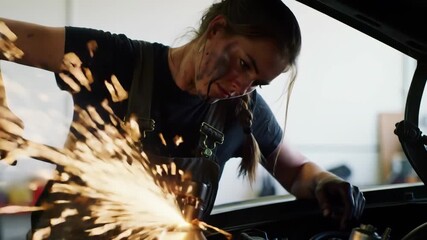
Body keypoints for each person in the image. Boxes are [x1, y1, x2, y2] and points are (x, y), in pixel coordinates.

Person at [0, 0, 365, 238]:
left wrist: (324, 182)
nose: (242, 86)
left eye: (257, 81)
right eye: (243, 64)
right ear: (217, 29)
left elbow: (296, 170)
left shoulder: (243, 111)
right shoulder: (114, 60)